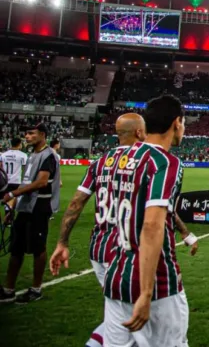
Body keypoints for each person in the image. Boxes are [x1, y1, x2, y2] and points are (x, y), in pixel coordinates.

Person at [49, 113, 147, 347]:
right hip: (125, 253)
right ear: (139, 132)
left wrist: (62, 242)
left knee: (121, 313)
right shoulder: (145, 161)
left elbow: (76, 203)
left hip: (98, 251)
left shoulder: (101, 162)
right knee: (133, 318)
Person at [102, 95, 189, 347]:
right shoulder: (166, 162)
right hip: (157, 281)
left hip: (117, 274)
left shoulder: (120, 158)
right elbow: (152, 225)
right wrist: (146, 291)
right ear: (176, 123)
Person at [0, 123, 60, 303]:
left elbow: (42, 182)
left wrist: (13, 194)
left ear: (42, 134)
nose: (27, 136)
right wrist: (13, 207)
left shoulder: (49, 155)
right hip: (25, 206)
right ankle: (8, 289)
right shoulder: (32, 155)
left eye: (31, 133)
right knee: (16, 248)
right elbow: (25, 182)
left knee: (38, 248)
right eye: (26, 133)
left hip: (40, 206)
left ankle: (36, 288)